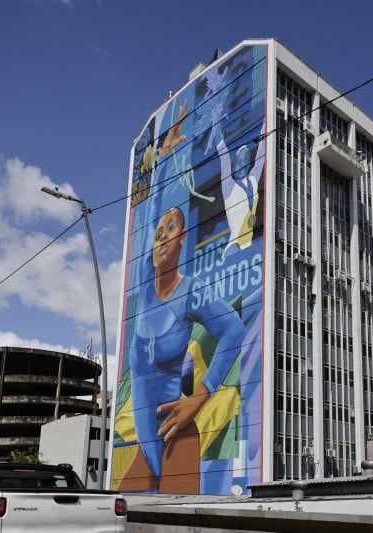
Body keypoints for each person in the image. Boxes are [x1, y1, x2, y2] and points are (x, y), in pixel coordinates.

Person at [118, 102, 246, 492]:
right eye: (159, 233)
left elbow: (234, 330)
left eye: (170, 230)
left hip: (175, 435)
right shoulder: (144, 281)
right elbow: (152, 211)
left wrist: (202, 394)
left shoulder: (191, 292)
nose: (160, 237)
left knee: (178, 511)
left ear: (182, 238)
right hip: (144, 446)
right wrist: (163, 159)